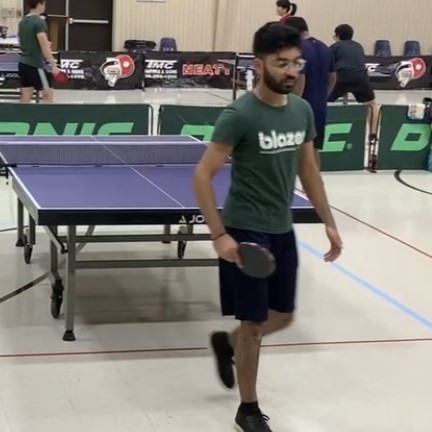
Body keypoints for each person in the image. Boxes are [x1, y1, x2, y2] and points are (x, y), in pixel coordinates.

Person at [193, 22, 343, 432]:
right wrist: (219, 235)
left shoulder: (302, 111)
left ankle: (227, 343)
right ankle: (248, 409)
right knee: (254, 326)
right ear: (259, 65)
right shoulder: (239, 115)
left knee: (284, 317)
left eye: (296, 63)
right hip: (245, 230)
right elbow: (202, 176)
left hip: (282, 228)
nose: (291, 71)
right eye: (282, 63)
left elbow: (309, 171)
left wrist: (329, 223)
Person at [288, 17, 336, 167]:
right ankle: (315, 180)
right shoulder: (325, 48)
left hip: (302, 108)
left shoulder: (298, 49)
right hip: (320, 107)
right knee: (314, 149)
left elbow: (300, 79)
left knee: (294, 150)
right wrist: (323, 96)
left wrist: (293, 104)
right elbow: (333, 77)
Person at [327, 24, 379, 140]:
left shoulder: (334, 47)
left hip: (341, 77)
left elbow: (328, 67)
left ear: (337, 36)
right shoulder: (359, 46)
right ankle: (373, 133)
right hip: (360, 78)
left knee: (322, 101)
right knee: (371, 104)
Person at [18, 0, 59, 103]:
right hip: (35, 65)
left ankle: (19, 114)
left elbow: (23, 41)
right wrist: (53, 65)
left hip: (23, 63)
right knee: (48, 95)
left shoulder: (22, 22)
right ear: (40, 5)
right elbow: (44, 45)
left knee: (25, 97)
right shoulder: (39, 22)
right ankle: (46, 114)